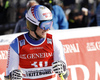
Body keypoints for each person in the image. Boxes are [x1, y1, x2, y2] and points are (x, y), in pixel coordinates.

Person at [5, 5, 69, 80]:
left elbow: (65, 75)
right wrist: (11, 77)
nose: (47, 29)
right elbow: (8, 75)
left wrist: (63, 71)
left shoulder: (54, 41)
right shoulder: (17, 43)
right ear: (32, 25)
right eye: (45, 25)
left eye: (49, 24)